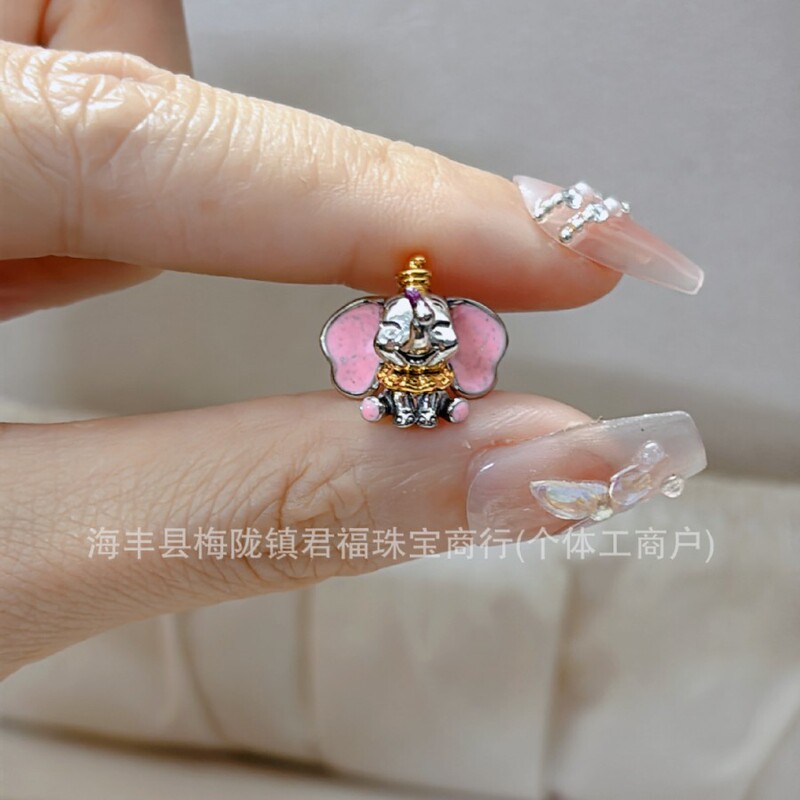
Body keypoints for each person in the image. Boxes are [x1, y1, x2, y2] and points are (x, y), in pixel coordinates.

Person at [0, 0, 705, 680]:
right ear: (364, 335)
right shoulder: (382, 330)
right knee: (401, 396)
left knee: (436, 394)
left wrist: (434, 361)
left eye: (432, 322)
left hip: (434, 384)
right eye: (402, 321)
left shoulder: (448, 328)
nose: (418, 326)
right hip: (396, 383)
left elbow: (440, 344)